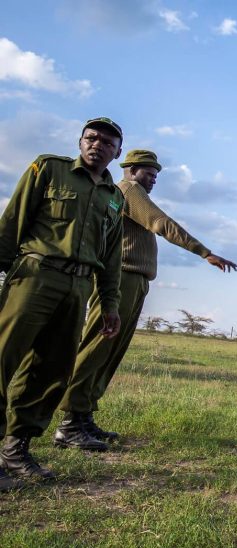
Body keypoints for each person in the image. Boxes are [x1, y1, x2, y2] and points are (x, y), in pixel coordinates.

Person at [53, 149, 237, 451]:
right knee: (98, 347)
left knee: (111, 350)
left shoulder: (128, 190)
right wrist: (204, 252)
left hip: (134, 279)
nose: (153, 180)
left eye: (156, 176)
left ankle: (83, 416)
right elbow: (161, 223)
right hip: (121, 277)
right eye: (150, 174)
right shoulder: (129, 190)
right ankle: (70, 423)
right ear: (132, 169)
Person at [0, 117, 125, 488]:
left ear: (117, 153)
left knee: (51, 369)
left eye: (107, 142)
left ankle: (16, 450)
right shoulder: (48, 169)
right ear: (80, 141)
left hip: (78, 287)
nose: (97, 145)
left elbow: (112, 257)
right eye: (91, 138)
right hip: (35, 275)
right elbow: (12, 222)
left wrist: (110, 304)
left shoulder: (114, 198)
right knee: (3, 358)